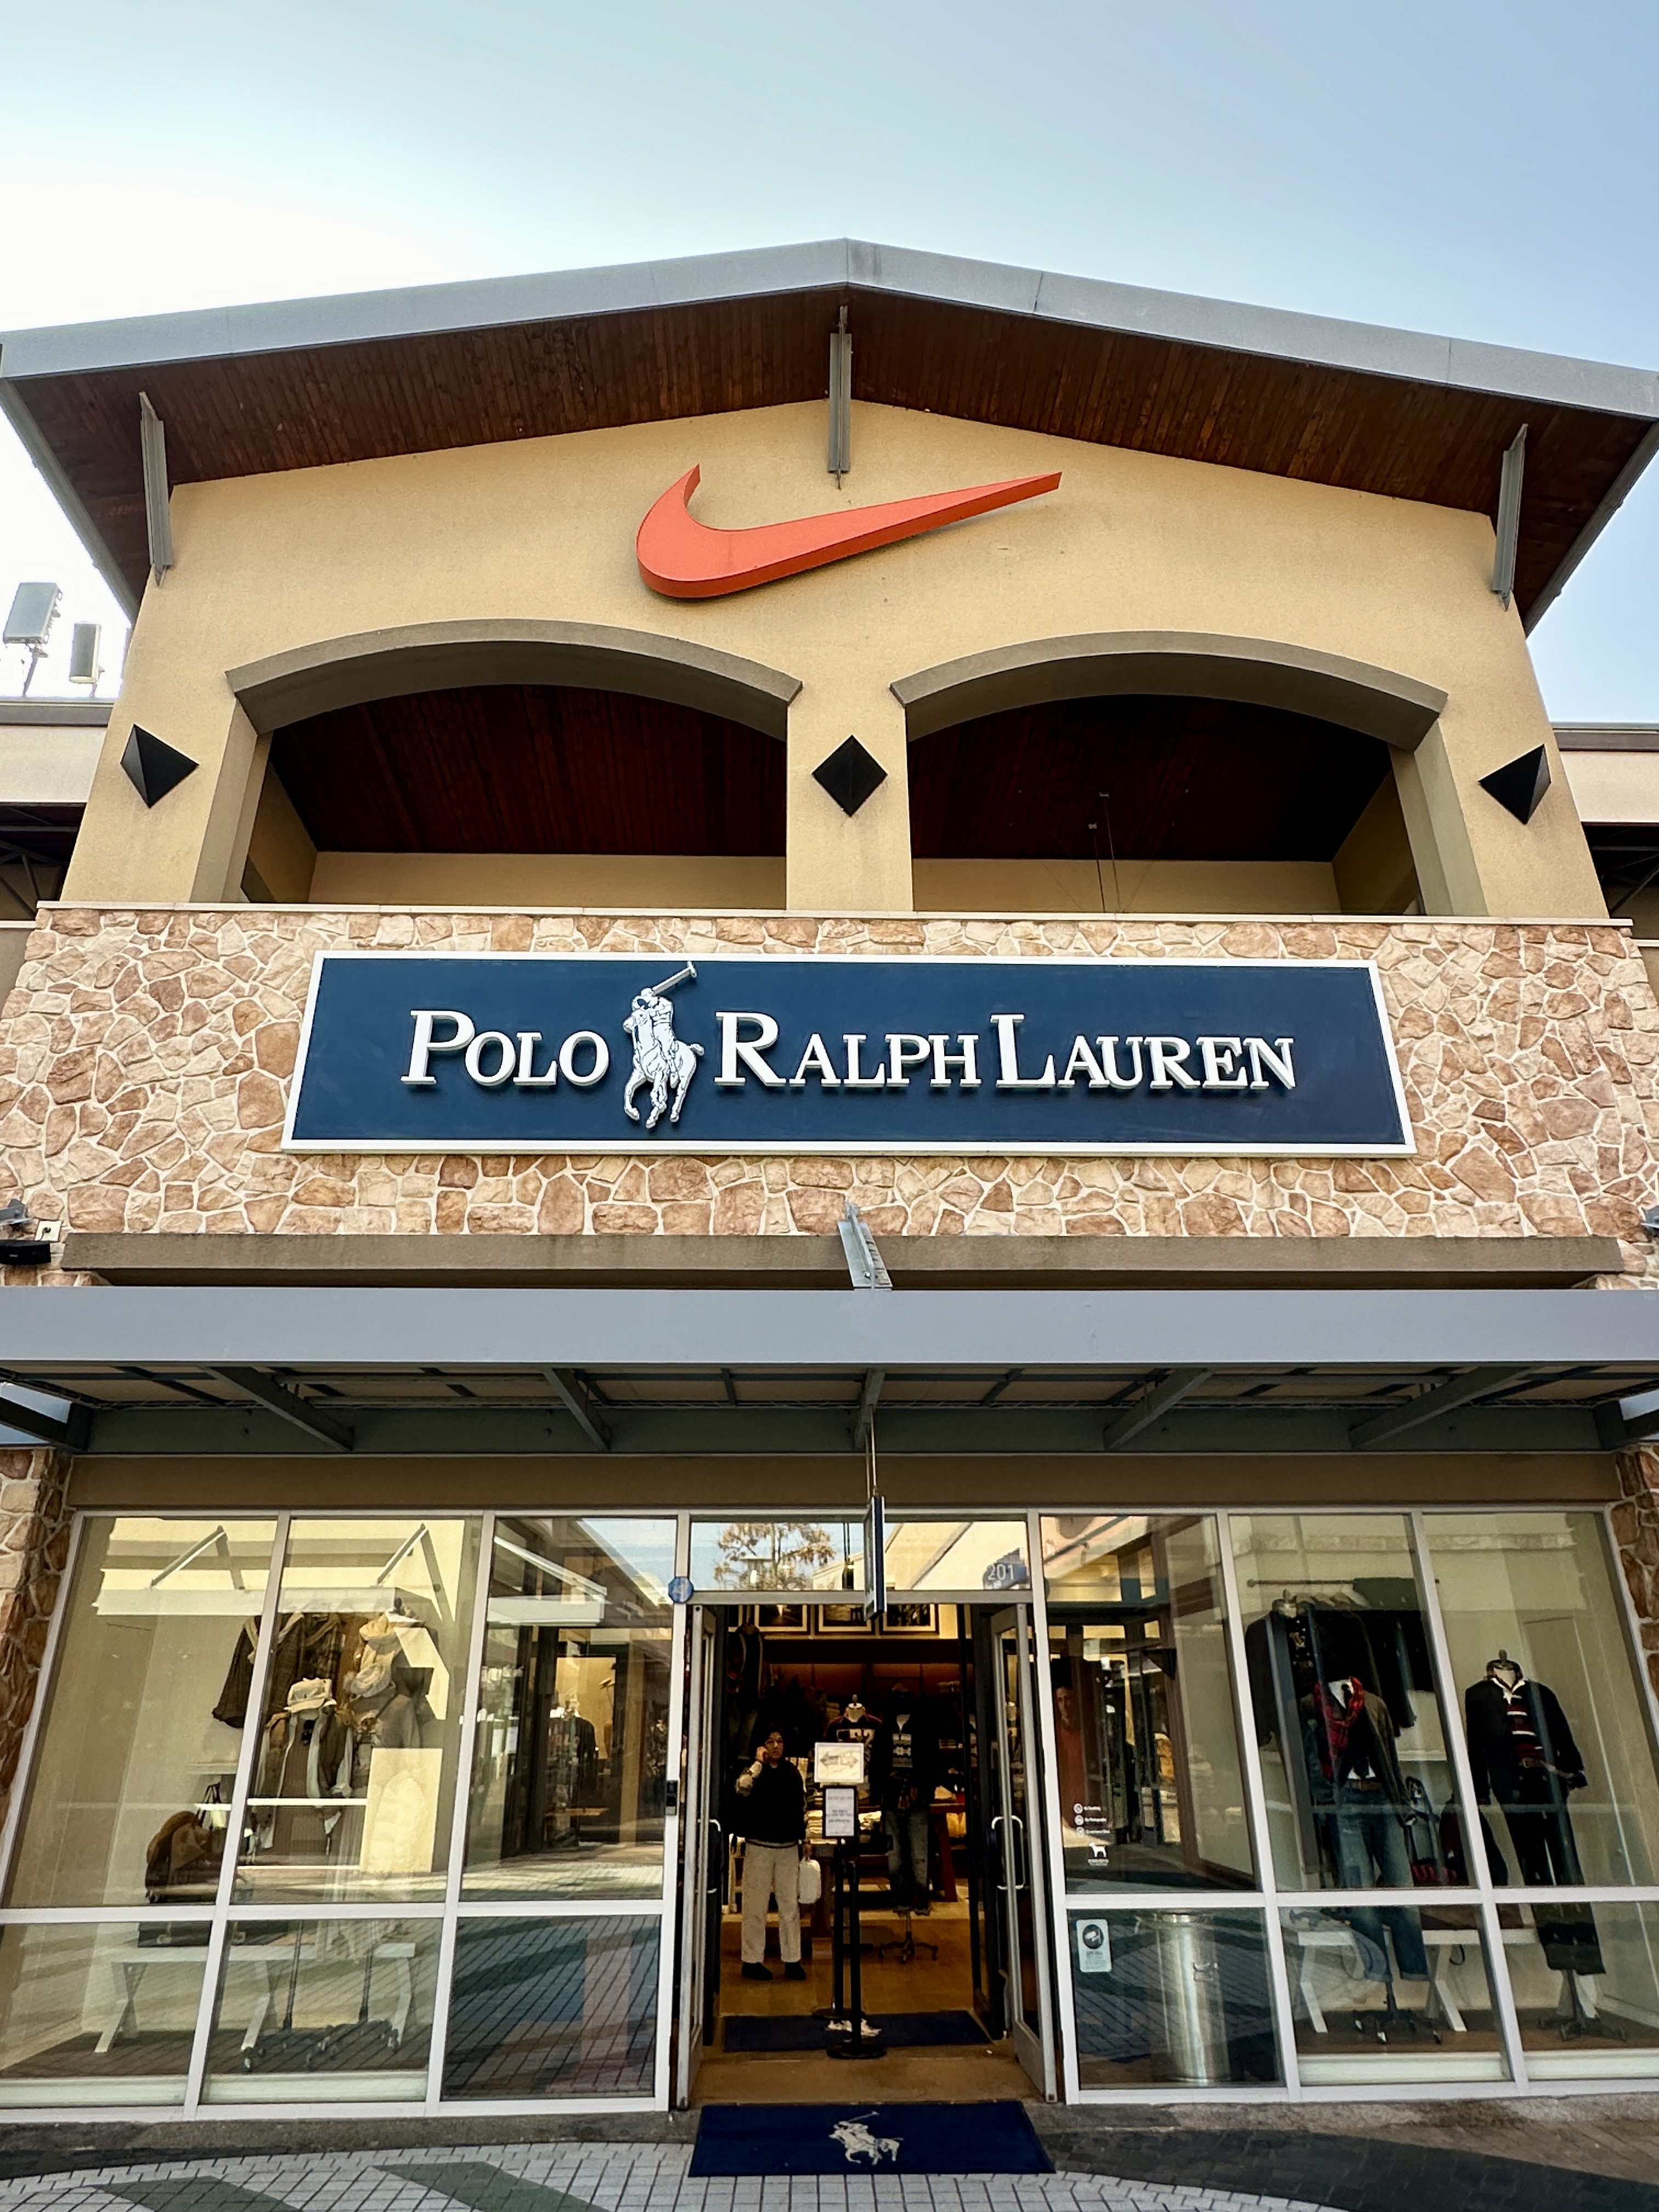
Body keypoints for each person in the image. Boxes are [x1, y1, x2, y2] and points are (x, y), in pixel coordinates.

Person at [733, 1728, 808, 1980]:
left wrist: (805, 1838)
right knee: (755, 1905)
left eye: (780, 1741)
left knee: (790, 1907)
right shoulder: (754, 1772)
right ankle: (752, 1960)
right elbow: (741, 1788)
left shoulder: (793, 1773)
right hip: (759, 1846)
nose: (776, 1746)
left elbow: (802, 1807)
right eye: (770, 1741)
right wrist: (758, 1763)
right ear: (762, 1746)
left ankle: (793, 1959)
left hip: (787, 1847)